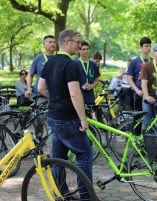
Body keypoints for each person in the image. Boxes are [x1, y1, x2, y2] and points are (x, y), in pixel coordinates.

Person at [37, 29, 94, 200]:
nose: (80, 44)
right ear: (67, 42)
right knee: (84, 155)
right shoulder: (71, 64)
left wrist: (55, 98)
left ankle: (62, 193)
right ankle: (87, 196)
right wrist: (83, 120)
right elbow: (75, 94)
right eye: (77, 41)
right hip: (69, 119)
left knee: (59, 158)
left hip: (53, 116)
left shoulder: (50, 62)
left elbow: (40, 88)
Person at [25, 35, 56, 101]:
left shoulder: (59, 58)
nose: (53, 44)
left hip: (56, 95)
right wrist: (28, 88)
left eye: (54, 42)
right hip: (41, 95)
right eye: (50, 42)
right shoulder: (38, 59)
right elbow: (30, 75)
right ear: (44, 45)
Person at [127, 37, 152, 111]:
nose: (148, 48)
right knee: (139, 119)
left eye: (150, 46)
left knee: (152, 118)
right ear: (141, 47)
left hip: (151, 93)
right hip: (139, 94)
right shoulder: (134, 62)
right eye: (146, 46)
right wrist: (137, 90)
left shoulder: (153, 62)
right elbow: (129, 78)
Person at [75, 41, 99, 105]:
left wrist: (91, 86)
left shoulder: (93, 64)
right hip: (78, 95)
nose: (86, 51)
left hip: (90, 97)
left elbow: (97, 80)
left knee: (91, 114)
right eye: (83, 49)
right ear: (79, 51)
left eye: (87, 49)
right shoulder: (74, 64)